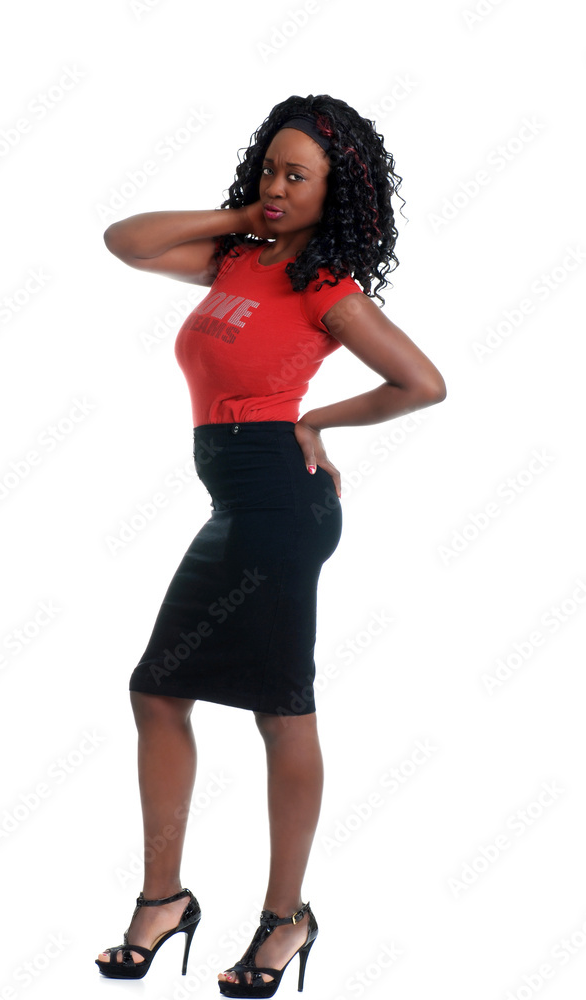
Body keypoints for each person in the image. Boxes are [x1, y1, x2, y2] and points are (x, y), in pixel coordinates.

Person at [95, 93, 446, 995]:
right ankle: (164, 899)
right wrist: (240, 216)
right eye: (269, 170)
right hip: (234, 504)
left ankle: (285, 920)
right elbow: (124, 241)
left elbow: (420, 383)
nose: (278, 187)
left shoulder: (324, 288)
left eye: (298, 176)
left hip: (280, 507)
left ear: (336, 192)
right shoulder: (236, 259)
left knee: (280, 709)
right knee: (157, 691)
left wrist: (314, 420)